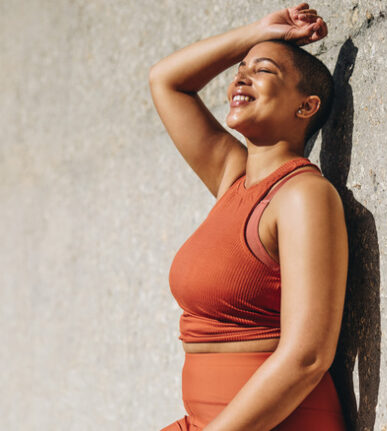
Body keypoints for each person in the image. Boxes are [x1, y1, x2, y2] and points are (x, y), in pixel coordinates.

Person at [149, 3, 348, 430]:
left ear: (306, 106)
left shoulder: (302, 196)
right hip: (206, 419)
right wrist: (257, 32)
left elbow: (308, 356)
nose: (240, 77)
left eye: (264, 71)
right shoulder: (231, 179)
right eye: (240, 69)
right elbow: (166, 81)